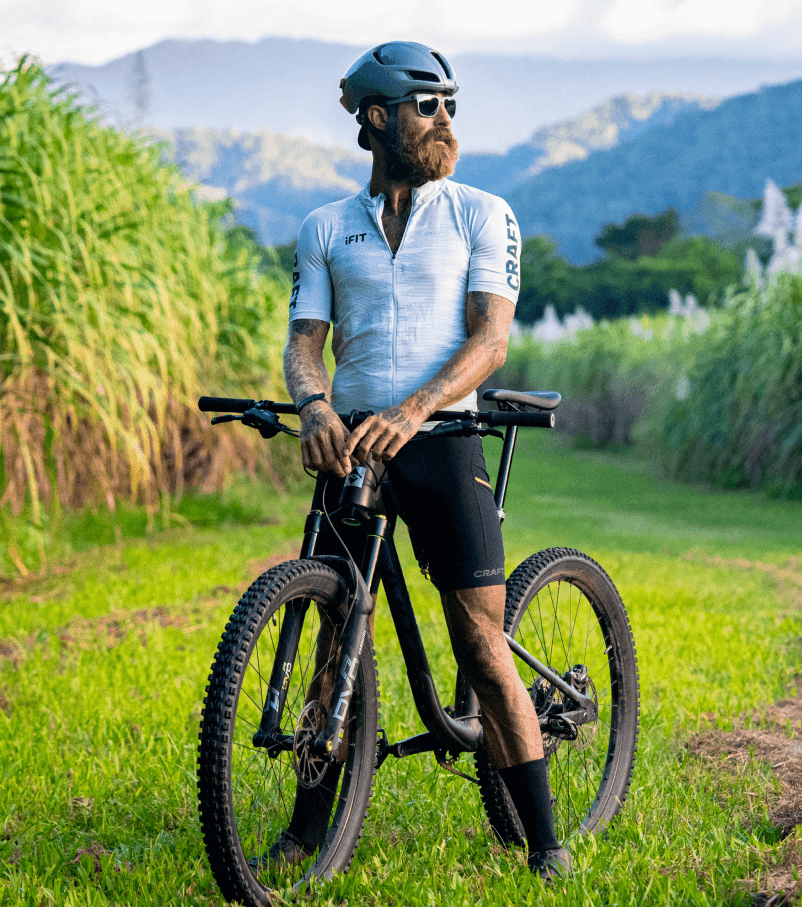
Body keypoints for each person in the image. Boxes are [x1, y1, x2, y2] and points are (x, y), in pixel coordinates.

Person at [275, 41, 569, 880]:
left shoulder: (484, 211)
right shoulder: (325, 227)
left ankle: (546, 843)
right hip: (353, 442)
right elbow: (305, 346)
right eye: (427, 105)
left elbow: (492, 340)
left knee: (480, 640)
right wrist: (315, 406)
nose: (447, 120)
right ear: (377, 119)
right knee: (336, 632)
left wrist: (414, 410)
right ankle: (304, 832)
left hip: (442, 438)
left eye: (451, 104)